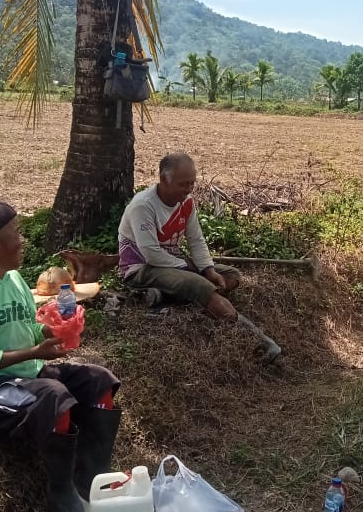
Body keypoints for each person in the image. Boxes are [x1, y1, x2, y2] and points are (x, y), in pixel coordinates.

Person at [0, 202, 122, 512]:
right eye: (16, 234)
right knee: (53, 396)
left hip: (23, 372)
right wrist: (34, 352)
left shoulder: (12, 279)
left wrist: (46, 333)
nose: (22, 241)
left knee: (98, 381)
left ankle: (91, 476)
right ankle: (61, 493)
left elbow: (23, 327)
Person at [118, 152, 281, 360]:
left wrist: (208, 269)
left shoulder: (186, 202)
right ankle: (260, 341)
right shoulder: (143, 206)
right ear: (163, 180)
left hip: (171, 265)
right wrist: (190, 268)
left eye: (192, 183)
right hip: (142, 268)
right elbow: (151, 254)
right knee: (200, 284)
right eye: (182, 184)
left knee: (231, 275)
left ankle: (162, 295)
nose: (188, 189)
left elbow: (196, 240)